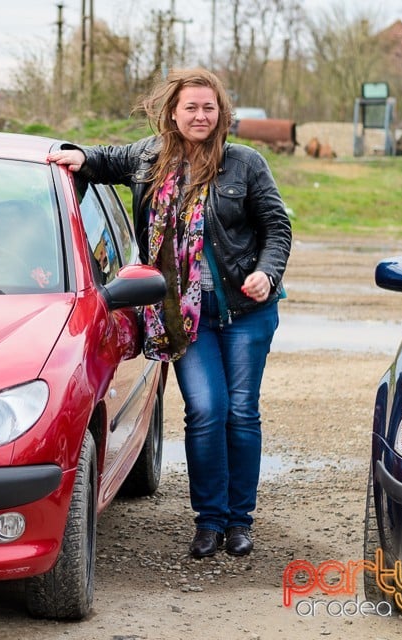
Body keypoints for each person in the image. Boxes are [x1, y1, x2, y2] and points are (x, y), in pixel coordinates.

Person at [48, 68, 291, 559]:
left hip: (246, 312)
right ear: (172, 113)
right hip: (182, 317)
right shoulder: (147, 158)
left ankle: (239, 522)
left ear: (222, 112)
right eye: (191, 107)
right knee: (206, 411)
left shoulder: (245, 164)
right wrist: (74, 157)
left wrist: (267, 273)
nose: (200, 115)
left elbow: (277, 227)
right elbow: (101, 161)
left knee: (241, 414)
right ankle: (209, 522)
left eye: (209, 107)